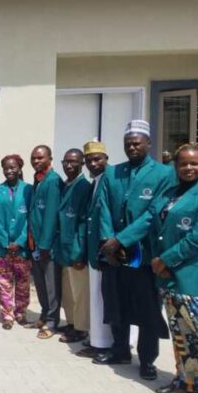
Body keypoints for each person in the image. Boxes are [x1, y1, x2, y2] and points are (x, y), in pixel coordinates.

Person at [96, 119, 175, 380]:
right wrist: (109, 240)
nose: (132, 147)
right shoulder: (112, 173)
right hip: (113, 253)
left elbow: (154, 213)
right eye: (128, 143)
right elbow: (103, 207)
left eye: (137, 143)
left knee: (146, 309)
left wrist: (122, 240)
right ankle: (119, 349)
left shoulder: (164, 174)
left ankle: (147, 360)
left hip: (143, 254)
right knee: (116, 302)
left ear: (148, 144)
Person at [140, 144, 198, 393]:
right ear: (176, 166)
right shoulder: (169, 194)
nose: (189, 168)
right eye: (183, 164)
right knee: (182, 336)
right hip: (169, 279)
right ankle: (187, 383)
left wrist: (165, 259)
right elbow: (151, 223)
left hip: (195, 279)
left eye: (194, 163)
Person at [76, 140, 114, 359]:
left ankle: (105, 344)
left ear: (106, 159)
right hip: (93, 252)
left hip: (104, 251)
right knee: (96, 298)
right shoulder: (95, 182)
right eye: (89, 160)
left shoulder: (109, 181)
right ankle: (98, 340)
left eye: (97, 159)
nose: (93, 163)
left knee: (103, 298)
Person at [0, 155, 33, 330]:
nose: (9, 171)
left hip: (22, 249)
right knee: (4, 283)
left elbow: (31, 218)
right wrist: (6, 242)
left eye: (13, 167)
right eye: (6, 168)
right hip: (3, 248)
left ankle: (21, 313)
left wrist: (20, 241)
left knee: (23, 282)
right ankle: (7, 315)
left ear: (20, 168)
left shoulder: (29, 190)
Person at [55, 149, 92, 344]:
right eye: (66, 162)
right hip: (63, 248)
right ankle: (70, 323)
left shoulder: (83, 187)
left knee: (79, 293)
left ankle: (81, 328)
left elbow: (83, 223)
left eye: (74, 162)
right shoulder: (66, 184)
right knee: (68, 292)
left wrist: (79, 253)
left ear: (82, 164)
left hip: (75, 249)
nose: (69, 165)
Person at [26, 145, 63, 339]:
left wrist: (45, 245)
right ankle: (43, 314)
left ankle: (52, 321)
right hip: (35, 243)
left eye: (40, 158)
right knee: (40, 284)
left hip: (46, 245)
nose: (36, 161)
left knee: (51, 286)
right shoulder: (39, 179)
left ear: (50, 158)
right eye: (33, 158)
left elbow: (51, 215)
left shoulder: (53, 181)